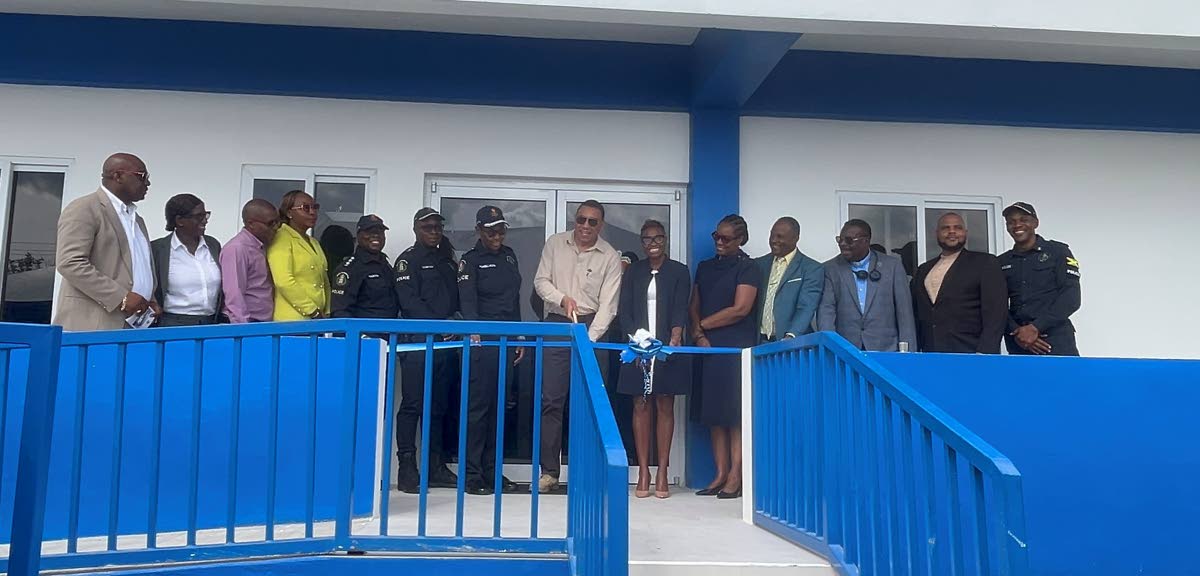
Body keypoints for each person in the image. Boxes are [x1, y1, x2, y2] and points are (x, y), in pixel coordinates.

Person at [532, 199, 622, 493]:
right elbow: (540, 282)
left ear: (601, 225)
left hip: (593, 328)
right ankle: (549, 472)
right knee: (551, 401)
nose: (584, 226)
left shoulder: (610, 255)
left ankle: (586, 472)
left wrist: (588, 338)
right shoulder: (555, 243)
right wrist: (561, 298)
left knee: (589, 403)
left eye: (592, 222)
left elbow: (609, 307)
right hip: (558, 323)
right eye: (581, 219)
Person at [616, 219, 690, 499]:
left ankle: (662, 471)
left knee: (665, 403)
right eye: (646, 239)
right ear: (641, 242)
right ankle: (644, 471)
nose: (653, 244)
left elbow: (681, 308)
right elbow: (624, 310)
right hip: (638, 345)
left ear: (666, 240)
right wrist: (636, 341)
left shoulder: (679, 271)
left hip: (667, 347)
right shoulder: (633, 271)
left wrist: (675, 335)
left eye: (657, 238)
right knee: (640, 403)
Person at [690, 214, 759, 499]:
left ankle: (736, 476)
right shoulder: (705, 267)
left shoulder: (749, 268)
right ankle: (719, 474)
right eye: (716, 237)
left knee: (734, 415)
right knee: (714, 415)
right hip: (706, 346)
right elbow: (695, 302)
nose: (719, 242)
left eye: (726, 238)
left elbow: (740, 309)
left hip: (734, 347)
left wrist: (703, 325)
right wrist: (697, 333)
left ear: (740, 239)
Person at [393, 207, 460, 493]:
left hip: (445, 343)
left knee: (439, 406)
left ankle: (434, 465)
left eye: (437, 227)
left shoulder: (446, 261)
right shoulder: (408, 261)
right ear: (416, 229)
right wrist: (439, 324)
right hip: (418, 341)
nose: (433, 232)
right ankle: (407, 467)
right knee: (413, 405)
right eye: (427, 227)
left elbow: (455, 299)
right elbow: (409, 303)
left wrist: (455, 320)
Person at [457, 206, 523, 495]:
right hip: (481, 341)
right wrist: (474, 337)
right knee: (478, 409)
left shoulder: (510, 255)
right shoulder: (469, 261)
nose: (497, 235)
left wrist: (520, 334)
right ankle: (472, 475)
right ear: (479, 231)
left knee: (500, 408)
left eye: (501, 230)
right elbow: (467, 302)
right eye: (490, 230)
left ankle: (493, 471)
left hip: (506, 340)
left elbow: (514, 299)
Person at [54, 153, 160, 331]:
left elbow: (138, 267)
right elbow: (70, 263)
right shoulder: (84, 208)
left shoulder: (136, 218)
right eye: (142, 176)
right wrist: (122, 297)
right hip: (94, 324)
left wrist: (150, 300)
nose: (147, 183)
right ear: (118, 176)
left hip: (135, 323)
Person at [911, 212, 1007, 353]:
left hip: (971, 352)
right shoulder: (924, 270)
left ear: (965, 233)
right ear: (937, 233)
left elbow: (996, 313)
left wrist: (985, 352)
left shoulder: (985, 263)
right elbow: (917, 312)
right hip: (931, 352)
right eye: (945, 228)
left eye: (958, 227)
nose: (952, 232)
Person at [817, 219, 917, 351]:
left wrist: (908, 352)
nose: (842, 244)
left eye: (849, 240)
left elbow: (904, 313)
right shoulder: (830, 268)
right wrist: (829, 348)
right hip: (846, 351)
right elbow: (826, 312)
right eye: (839, 239)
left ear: (866, 241)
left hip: (886, 349)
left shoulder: (892, 266)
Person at [998, 202, 1082, 356]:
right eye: (1011, 221)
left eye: (1023, 219)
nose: (1017, 225)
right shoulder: (1002, 262)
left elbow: (1071, 297)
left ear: (1035, 223)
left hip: (1055, 339)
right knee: (1023, 381)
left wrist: (1035, 328)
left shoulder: (1058, 252)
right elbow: (997, 304)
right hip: (1018, 343)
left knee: (1066, 380)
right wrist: (1018, 333)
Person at [150, 194, 223, 326]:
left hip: (211, 322)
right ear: (180, 221)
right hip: (173, 324)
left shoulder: (213, 245)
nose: (205, 220)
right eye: (199, 216)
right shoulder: (158, 249)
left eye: (206, 215)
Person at [755, 217, 823, 342]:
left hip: (791, 343)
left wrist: (791, 335)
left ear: (795, 238)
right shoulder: (759, 264)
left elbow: (806, 307)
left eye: (780, 236)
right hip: (759, 341)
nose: (774, 240)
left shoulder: (811, 268)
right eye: (772, 235)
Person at [267, 190, 330, 321]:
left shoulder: (313, 242)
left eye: (315, 207)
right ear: (289, 213)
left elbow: (324, 280)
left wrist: (327, 311)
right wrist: (312, 311)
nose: (313, 212)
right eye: (305, 208)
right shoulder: (281, 238)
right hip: (293, 321)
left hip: (317, 320)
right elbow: (283, 281)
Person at [220, 199, 278, 323]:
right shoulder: (237, 248)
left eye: (277, 222)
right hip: (247, 323)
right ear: (251, 224)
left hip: (263, 323)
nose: (276, 227)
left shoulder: (262, 245)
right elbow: (234, 294)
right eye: (271, 223)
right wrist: (244, 331)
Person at [330, 215, 399, 319]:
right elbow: (340, 311)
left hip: (390, 332)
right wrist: (361, 335)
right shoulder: (349, 269)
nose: (375, 235)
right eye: (369, 231)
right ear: (358, 235)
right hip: (365, 333)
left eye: (379, 232)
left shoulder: (385, 265)